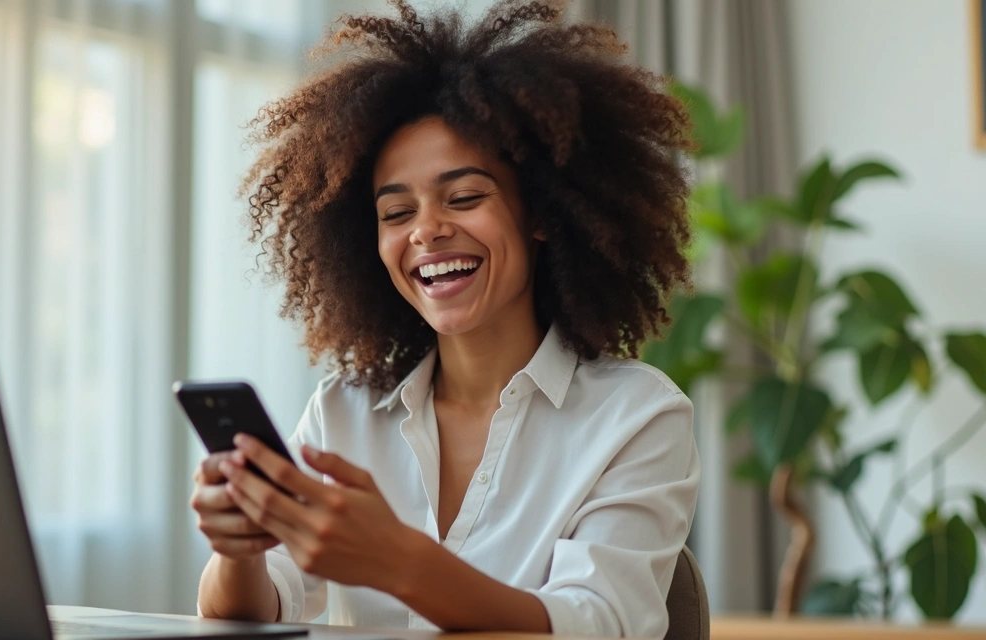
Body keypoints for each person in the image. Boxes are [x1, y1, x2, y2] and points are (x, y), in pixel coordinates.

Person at [189, 1, 699, 637]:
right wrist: (238, 547)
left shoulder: (637, 418)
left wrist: (400, 562)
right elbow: (251, 607)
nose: (427, 231)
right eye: (396, 214)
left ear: (541, 214)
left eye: (464, 198)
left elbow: (598, 623)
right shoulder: (342, 413)